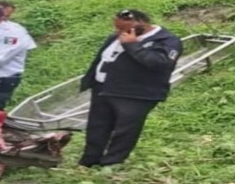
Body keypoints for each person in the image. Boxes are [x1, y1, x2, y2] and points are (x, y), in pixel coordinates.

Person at [78, 9, 182, 167]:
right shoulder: (116, 37)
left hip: (136, 94)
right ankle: (89, 161)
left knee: (125, 131)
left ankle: (111, 163)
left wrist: (132, 45)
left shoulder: (167, 40)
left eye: (122, 28)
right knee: (96, 127)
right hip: (103, 89)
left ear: (141, 24)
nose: (118, 31)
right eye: (117, 27)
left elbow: (161, 63)